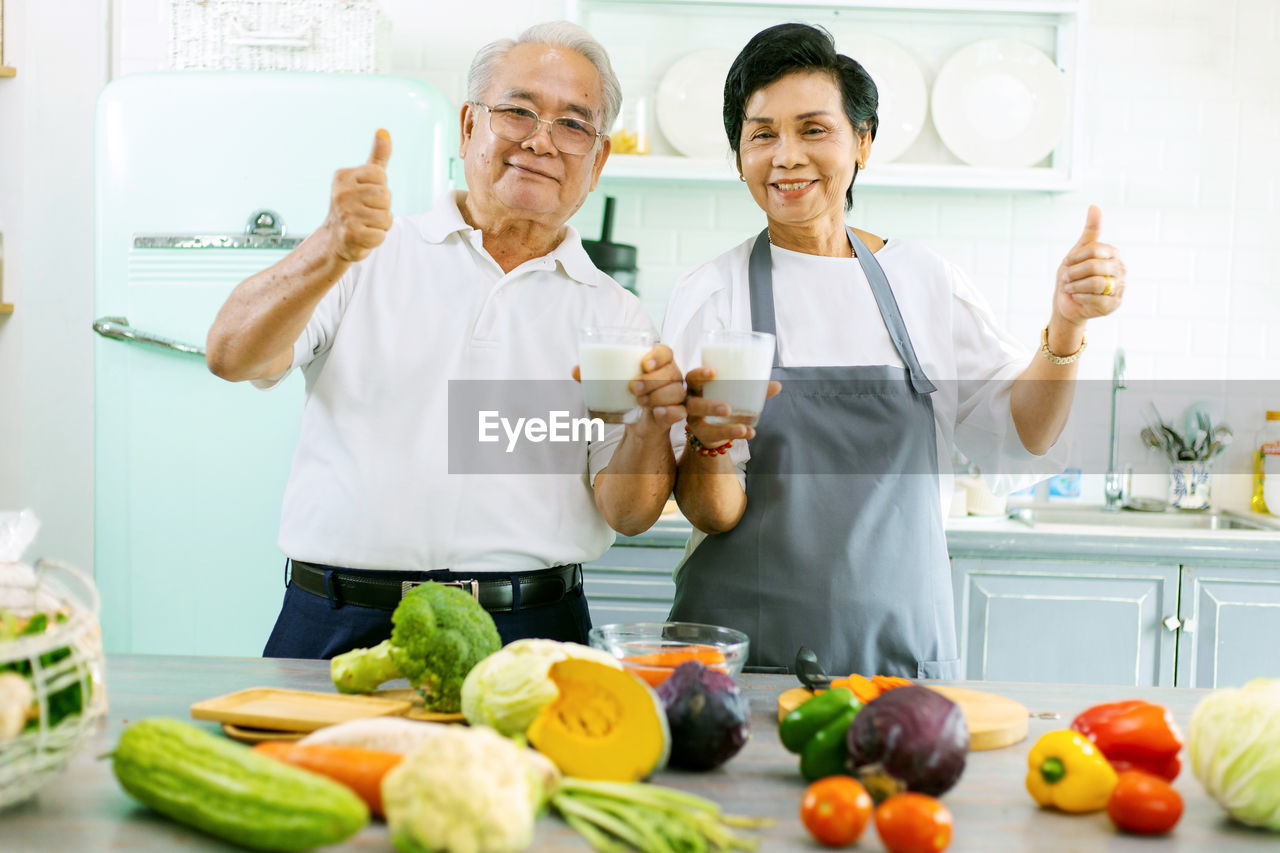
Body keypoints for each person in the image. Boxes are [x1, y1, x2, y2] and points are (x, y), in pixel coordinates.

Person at [205, 21, 684, 658]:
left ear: (597, 161)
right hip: (337, 620)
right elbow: (231, 355)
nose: (540, 140)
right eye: (517, 111)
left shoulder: (617, 315)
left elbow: (626, 512)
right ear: (468, 127)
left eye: (573, 125)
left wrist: (652, 424)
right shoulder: (365, 253)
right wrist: (330, 247)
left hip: (529, 631)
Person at [662, 23, 1125, 677]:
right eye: (762, 133)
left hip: (901, 656)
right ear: (739, 155)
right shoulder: (711, 294)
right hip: (744, 657)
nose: (786, 155)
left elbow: (1027, 434)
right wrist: (709, 446)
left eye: (813, 129)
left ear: (864, 140)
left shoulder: (925, 281)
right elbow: (710, 508)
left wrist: (1068, 323)